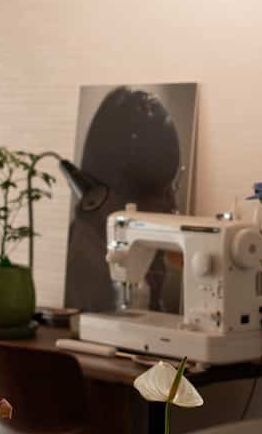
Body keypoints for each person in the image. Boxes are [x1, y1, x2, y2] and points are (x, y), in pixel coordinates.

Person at [64, 86, 184, 314]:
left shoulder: (141, 253)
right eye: (155, 193)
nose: (172, 207)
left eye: (170, 189)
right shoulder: (84, 264)